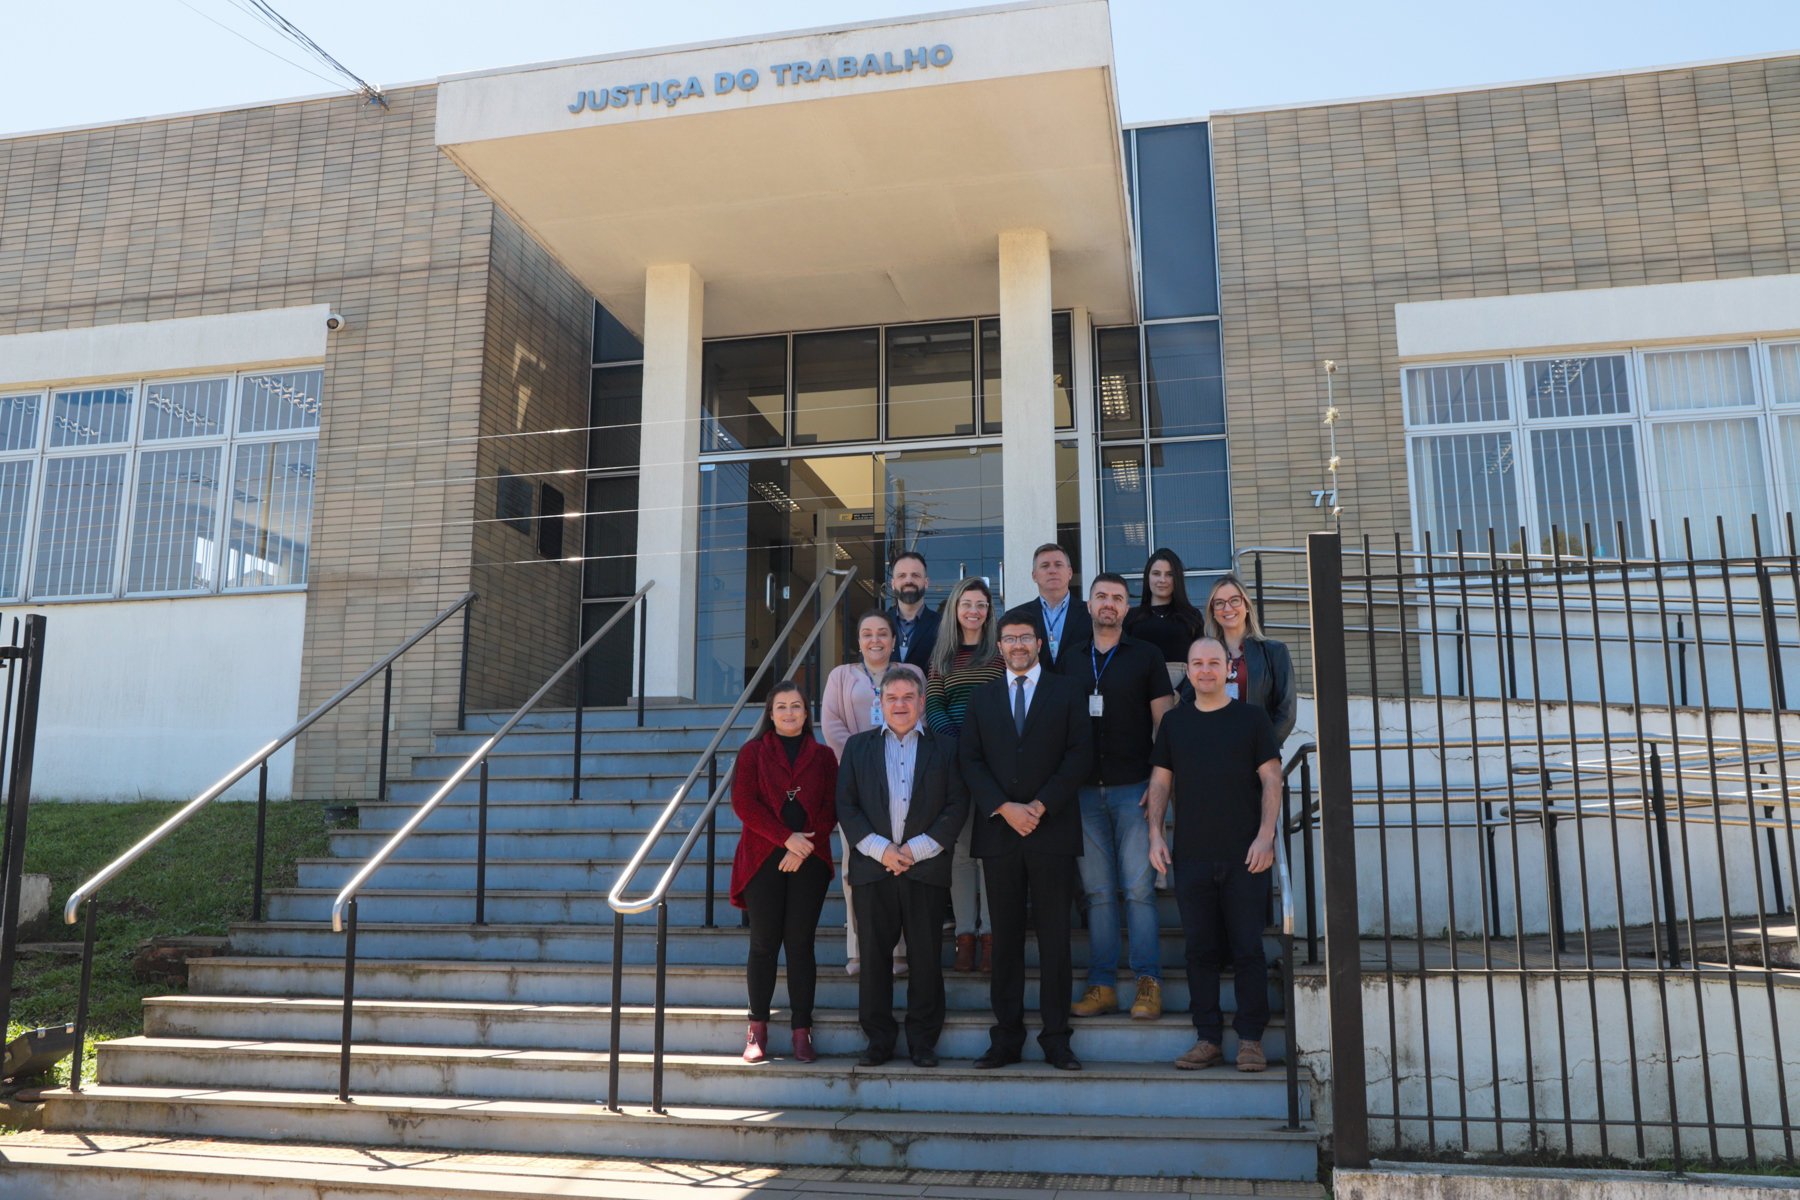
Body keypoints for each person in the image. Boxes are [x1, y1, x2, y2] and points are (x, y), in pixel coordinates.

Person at [958, 611, 1093, 1071]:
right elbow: (970, 761)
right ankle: (1007, 1038)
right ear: (999, 647)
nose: (1017, 644)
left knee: (1056, 940)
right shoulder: (982, 698)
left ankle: (1056, 1038)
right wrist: (1004, 807)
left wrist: (1039, 806)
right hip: (999, 833)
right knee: (1007, 939)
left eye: (1025, 637)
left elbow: (1080, 754)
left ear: (1039, 643)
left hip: (1051, 830)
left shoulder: (1068, 690)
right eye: (1009, 638)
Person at [1147, 636, 1283, 1072]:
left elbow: (1273, 779)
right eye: (1197, 663)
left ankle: (1250, 1041)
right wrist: (1155, 834)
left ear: (1229, 669)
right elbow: (1161, 783)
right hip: (1192, 855)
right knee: (1199, 951)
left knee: (1247, 949)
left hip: (1246, 855)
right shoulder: (1174, 723)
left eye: (1214, 662)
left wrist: (1266, 836)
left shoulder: (1252, 719)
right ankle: (1207, 1039)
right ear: (1187, 672)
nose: (1205, 670)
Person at [835, 667, 970, 1068]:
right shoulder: (857, 748)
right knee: (874, 960)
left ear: (921, 702)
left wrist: (913, 850)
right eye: (892, 698)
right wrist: (883, 851)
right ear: (880, 704)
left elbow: (956, 806)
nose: (900, 704)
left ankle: (922, 1042)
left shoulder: (945, 749)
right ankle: (878, 1041)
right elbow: (846, 806)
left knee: (927, 958)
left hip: (924, 870)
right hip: (873, 870)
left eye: (908, 697)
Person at [1063, 573, 1177, 1021]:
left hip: (1136, 791)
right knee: (1098, 893)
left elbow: (1164, 729)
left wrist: (1157, 785)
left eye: (1117, 598)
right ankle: (1102, 986)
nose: (1108, 604)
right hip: (1083, 794)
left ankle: (1148, 983)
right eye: (1101, 597)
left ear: (1127, 608)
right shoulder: (1069, 659)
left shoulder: (1146, 656)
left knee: (1138, 890)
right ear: (1088, 606)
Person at [729, 681, 838, 1065]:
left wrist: (803, 845)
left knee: (800, 945)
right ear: (770, 714)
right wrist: (785, 839)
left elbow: (831, 807)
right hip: (762, 859)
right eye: (781, 707)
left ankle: (801, 1031)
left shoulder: (824, 756)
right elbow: (743, 803)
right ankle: (756, 1030)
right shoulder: (752, 753)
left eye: (796, 706)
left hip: (809, 860)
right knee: (763, 943)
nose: (789, 713)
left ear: (807, 714)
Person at [821, 611, 926, 979]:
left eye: (883, 633)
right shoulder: (840, 676)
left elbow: (919, 718)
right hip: (857, 782)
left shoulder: (911, 670)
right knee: (857, 867)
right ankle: (860, 948)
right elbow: (831, 725)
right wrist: (865, 759)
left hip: (904, 778)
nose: (875, 639)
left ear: (894, 640)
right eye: (867, 633)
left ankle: (899, 950)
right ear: (859, 640)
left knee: (900, 865)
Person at [925, 577, 1003, 972]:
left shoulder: (1001, 655)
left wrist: (982, 749)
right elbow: (934, 708)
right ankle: (964, 938)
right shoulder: (940, 658)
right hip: (954, 763)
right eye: (966, 604)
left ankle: (990, 937)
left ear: (989, 612)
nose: (974, 611)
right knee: (960, 853)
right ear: (955, 608)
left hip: (995, 766)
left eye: (982, 605)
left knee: (989, 854)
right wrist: (960, 746)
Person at [1201, 574, 1296, 746]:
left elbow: (1286, 712)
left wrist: (1264, 750)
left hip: (1256, 754)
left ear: (1246, 606)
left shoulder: (1275, 652)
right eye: (1219, 603)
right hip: (1212, 750)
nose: (1227, 608)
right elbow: (1187, 703)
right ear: (1213, 611)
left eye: (1234, 600)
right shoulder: (1203, 655)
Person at [1122, 548, 1207, 687]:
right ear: (1147, 577)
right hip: (1140, 693)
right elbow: (1123, 661)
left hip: (1183, 696)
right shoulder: (1131, 617)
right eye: (1156, 574)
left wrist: (1180, 693)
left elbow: (1201, 661)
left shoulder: (1192, 616)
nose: (1162, 580)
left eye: (1169, 574)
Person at [1007, 543, 1091, 673]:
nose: (1052, 570)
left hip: (1080, 690)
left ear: (1070, 573)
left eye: (1058, 565)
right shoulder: (1015, 616)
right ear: (1034, 576)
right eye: (1045, 566)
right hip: (1035, 691)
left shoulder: (1090, 613)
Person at [887, 551, 941, 671]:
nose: (909, 581)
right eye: (902, 576)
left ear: (926, 582)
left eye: (915, 575)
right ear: (893, 584)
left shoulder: (943, 624)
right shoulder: (880, 623)